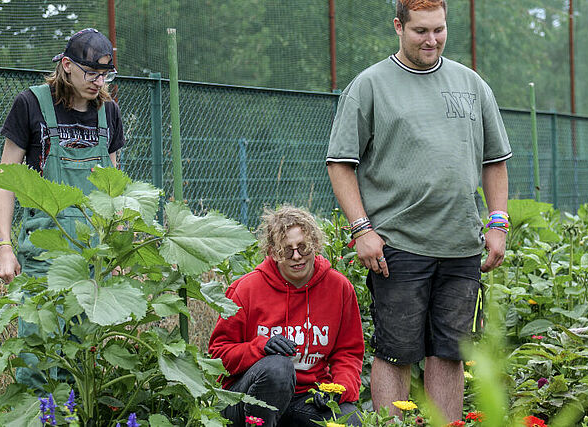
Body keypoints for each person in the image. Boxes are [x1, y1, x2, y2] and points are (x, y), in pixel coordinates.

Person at [325, 0, 511, 420]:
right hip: (397, 246)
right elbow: (340, 163)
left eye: (439, 30)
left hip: (462, 244)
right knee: (396, 352)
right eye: (420, 31)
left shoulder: (471, 84)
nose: (432, 40)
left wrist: (498, 222)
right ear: (398, 26)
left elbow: (494, 160)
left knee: (451, 352)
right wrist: (361, 230)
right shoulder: (370, 85)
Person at [0, 28, 125, 388]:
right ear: (66, 65)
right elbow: (5, 180)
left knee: (83, 363)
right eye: (91, 73)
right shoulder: (31, 105)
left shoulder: (108, 112)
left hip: (92, 257)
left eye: (105, 75)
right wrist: (4, 247)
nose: (99, 82)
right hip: (44, 255)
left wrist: (121, 244)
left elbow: (112, 186)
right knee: (39, 358)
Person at [208, 206, 365, 426]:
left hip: (307, 398)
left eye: (303, 247)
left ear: (315, 244)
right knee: (278, 368)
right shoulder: (246, 289)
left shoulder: (338, 287)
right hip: (247, 397)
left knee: (352, 421)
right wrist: (258, 347)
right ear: (272, 252)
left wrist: (339, 390)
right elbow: (218, 355)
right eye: (286, 250)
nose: (297, 256)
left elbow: (348, 353)